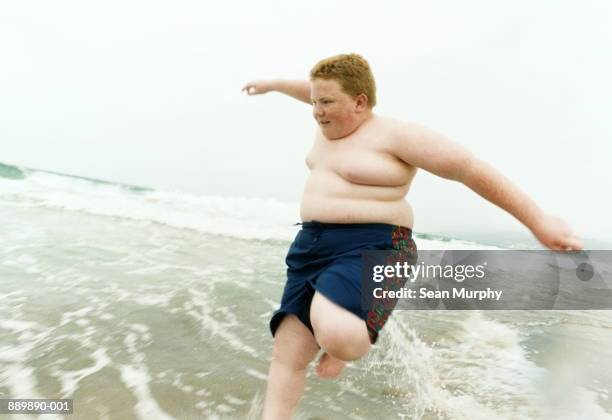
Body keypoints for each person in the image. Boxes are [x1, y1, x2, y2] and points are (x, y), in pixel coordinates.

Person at [242, 53, 582, 420]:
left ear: (359, 101)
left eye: (326, 102)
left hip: (374, 247)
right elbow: (309, 90)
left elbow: (469, 169)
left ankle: (343, 343)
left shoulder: (397, 136)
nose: (317, 111)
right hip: (310, 247)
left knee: (339, 335)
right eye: (314, 102)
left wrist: (538, 220)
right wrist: (274, 85)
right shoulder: (325, 126)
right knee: (287, 354)